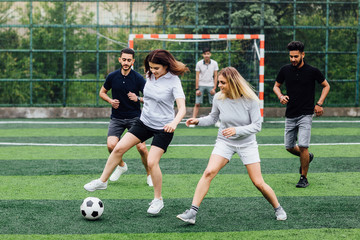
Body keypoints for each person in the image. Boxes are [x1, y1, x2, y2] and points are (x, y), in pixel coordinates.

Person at [177, 67, 287, 224]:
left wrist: (237, 130)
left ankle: (278, 208)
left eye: (223, 83)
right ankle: (192, 213)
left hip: (247, 144)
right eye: (218, 82)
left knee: (258, 182)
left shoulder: (251, 100)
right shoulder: (218, 98)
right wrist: (198, 121)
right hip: (225, 142)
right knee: (208, 172)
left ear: (233, 82)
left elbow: (257, 126)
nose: (219, 86)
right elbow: (213, 118)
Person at [84, 49, 188, 215]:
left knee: (152, 161)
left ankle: (158, 200)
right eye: (150, 68)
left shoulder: (174, 81)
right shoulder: (149, 75)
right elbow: (149, 97)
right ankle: (102, 181)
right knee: (118, 148)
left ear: (166, 66)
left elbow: (182, 108)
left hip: (164, 127)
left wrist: (174, 123)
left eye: (156, 68)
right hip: (144, 122)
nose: (152, 71)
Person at [273, 41, 330, 188]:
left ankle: (303, 178)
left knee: (303, 146)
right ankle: (308, 158)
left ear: (303, 55)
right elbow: (276, 86)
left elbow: (326, 85)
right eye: (291, 56)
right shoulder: (285, 70)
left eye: (296, 56)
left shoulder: (313, 71)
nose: (293, 59)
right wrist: (280, 96)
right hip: (290, 113)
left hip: (306, 113)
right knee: (289, 147)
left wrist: (319, 103)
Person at [99, 47, 152, 187]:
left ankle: (149, 174)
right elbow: (102, 92)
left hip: (135, 118)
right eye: (124, 60)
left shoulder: (138, 78)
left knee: (142, 148)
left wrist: (138, 98)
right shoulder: (112, 76)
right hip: (116, 118)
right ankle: (121, 165)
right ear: (119, 60)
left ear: (133, 61)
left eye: (129, 60)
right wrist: (110, 101)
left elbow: (151, 98)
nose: (126, 62)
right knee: (111, 145)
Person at [191, 47, 219, 122]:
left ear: (210, 54)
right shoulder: (199, 63)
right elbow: (197, 76)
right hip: (201, 85)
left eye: (208, 54)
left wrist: (214, 88)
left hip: (211, 85)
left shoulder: (214, 63)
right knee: (197, 104)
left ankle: (217, 120)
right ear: (203, 55)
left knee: (214, 104)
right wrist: (197, 89)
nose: (206, 55)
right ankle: (193, 120)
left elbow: (216, 76)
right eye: (205, 54)